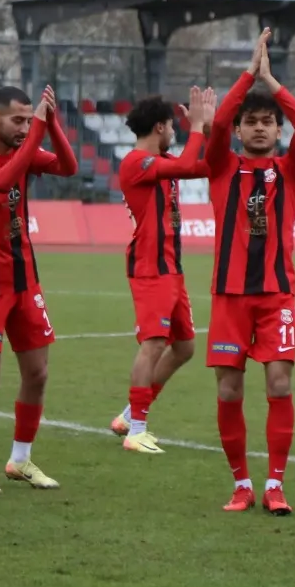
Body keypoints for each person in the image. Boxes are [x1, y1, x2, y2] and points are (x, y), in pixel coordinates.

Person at [202, 29, 295, 515]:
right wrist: (249, 74)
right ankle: (241, 483)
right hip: (230, 297)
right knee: (229, 389)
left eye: (269, 122)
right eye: (253, 122)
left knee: (280, 385)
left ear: (277, 130)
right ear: (241, 131)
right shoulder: (222, 167)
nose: (261, 128)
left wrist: (273, 81)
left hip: (276, 296)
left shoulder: (290, 170)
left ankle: (275, 483)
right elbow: (219, 120)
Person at [0, 84, 80, 494]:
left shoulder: (26, 148)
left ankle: (20, 460)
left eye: (29, 119)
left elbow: (68, 166)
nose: (25, 127)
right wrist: (38, 131)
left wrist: (54, 124)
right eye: (18, 120)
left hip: (26, 281)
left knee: (38, 374)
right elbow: (1, 178)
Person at [109, 87, 215, 455]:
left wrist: (211, 130)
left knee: (184, 347)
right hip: (150, 266)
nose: (177, 132)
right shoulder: (137, 162)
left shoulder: (163, 162)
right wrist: (199, 125)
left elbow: (207, 166)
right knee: (153, 343)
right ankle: (136, 429)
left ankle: (128, 415)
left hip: (171, 266)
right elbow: (190, 165)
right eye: (173, 126)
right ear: (159, 127)